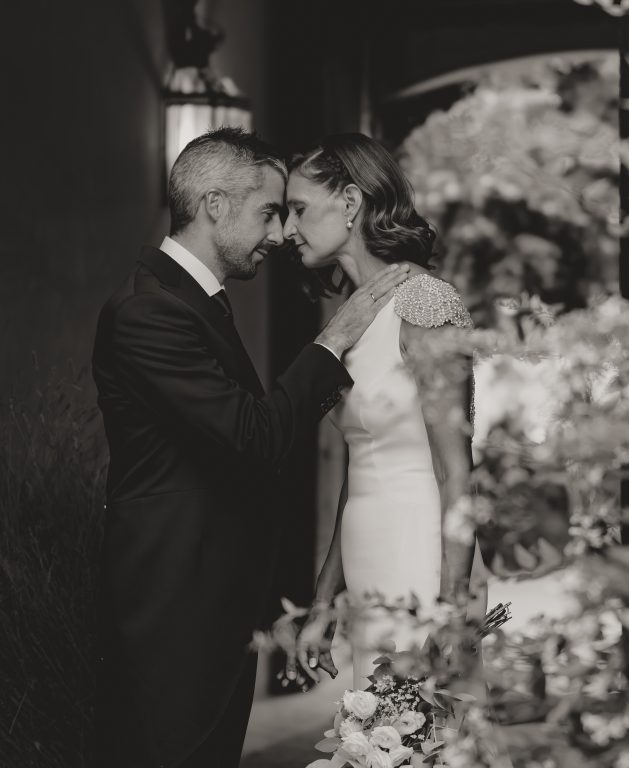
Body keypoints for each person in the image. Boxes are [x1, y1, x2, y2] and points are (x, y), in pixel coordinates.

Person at [91, 127, 410, 768]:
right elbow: (253, 436)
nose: (277, 235)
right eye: (268, 212)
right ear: (215, 204)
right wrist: (331, 341)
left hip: (211, 608)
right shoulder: (148, 311)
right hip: (170, 613)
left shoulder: (197, 303)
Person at [286, 133, 483, 690]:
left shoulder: (424, 303)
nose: (286, 231)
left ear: (350, 204)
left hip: (422, 552)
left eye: (298, 209)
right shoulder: (347, 321)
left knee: (429, 731)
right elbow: (361, 469)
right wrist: (323, 603)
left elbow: (456, 470)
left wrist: (450, 606)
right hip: (368, 556)